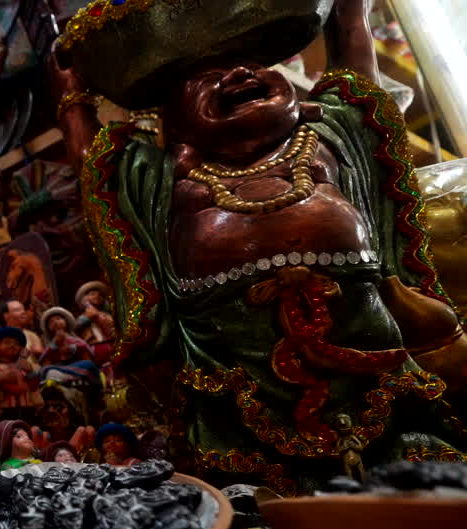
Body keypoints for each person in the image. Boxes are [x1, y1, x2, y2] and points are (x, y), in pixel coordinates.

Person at [53, 0, 467, 484]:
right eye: (209, 76)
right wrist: (72, 95)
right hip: (237, 375)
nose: (238, 75)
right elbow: (92, 164)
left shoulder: (326, 138)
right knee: (262, 502)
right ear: (173, 119)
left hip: (368, 356)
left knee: (415, 479)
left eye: (251, 64)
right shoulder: (161, 180)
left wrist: (349, 13)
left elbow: (359, 84)